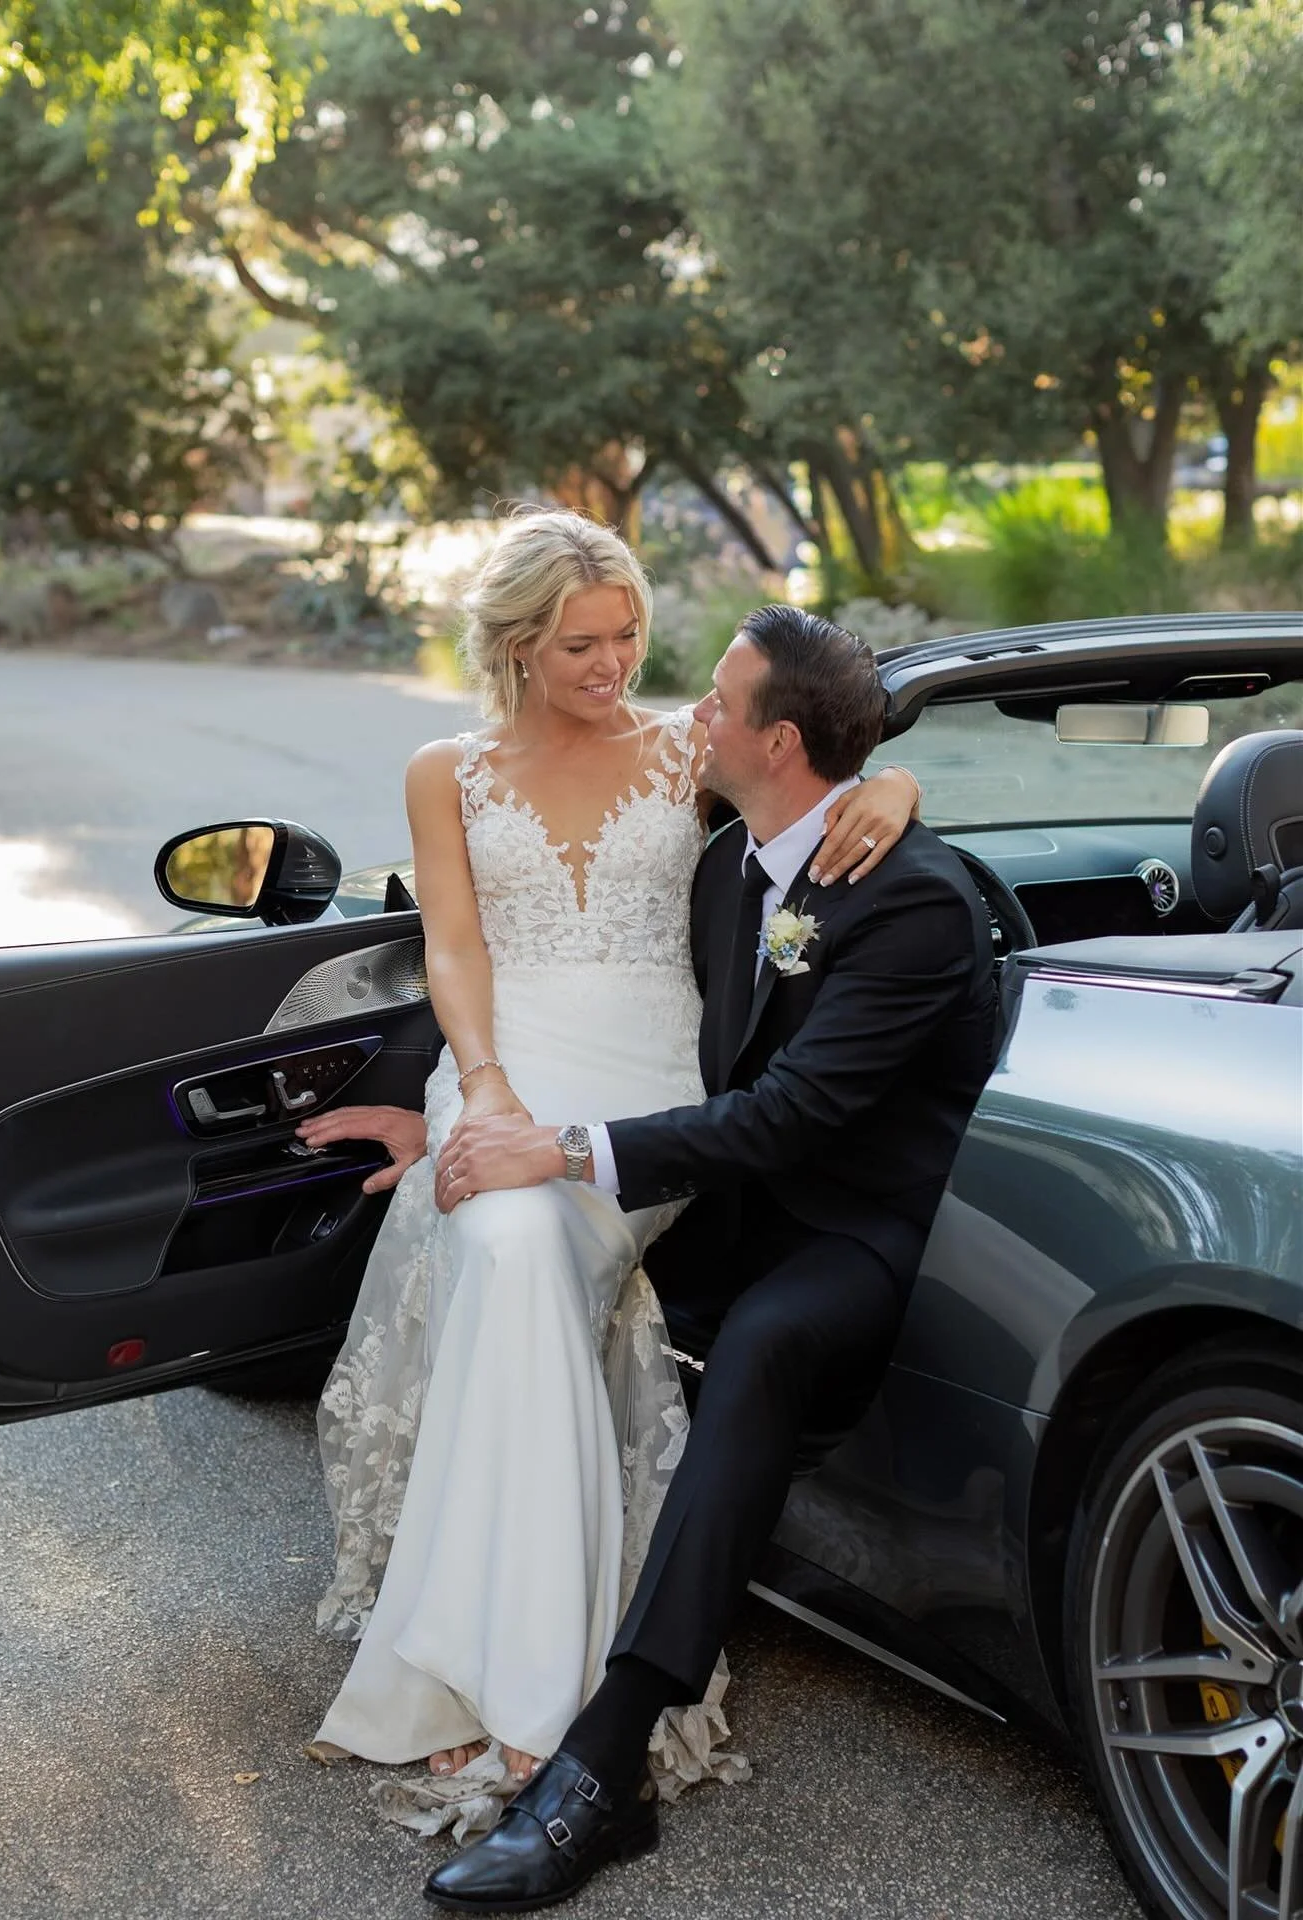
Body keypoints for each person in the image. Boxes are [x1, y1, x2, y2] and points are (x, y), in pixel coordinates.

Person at [292, 510, 921, 1833]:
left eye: (627, 631)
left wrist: (894, 790)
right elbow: (455, 948)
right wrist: (486, 1090)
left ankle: (512, 1695)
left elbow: (812, 773)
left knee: (529, 1251)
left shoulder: (685, 746)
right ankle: (539, 1698)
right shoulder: (443, 768)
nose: (613, 662)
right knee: (513, 1251)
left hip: (649, 1087)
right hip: (504, 1057)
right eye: (579, 642)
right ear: (514, 645)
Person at [424, 602, 997, 1911]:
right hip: (740, 1205)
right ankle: (508, 1630)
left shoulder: (909, 902)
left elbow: (791, 1116)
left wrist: (561, 1150)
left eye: (719, 702)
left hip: (867, 1228)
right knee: (538, 1280)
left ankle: (601, 1765)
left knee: (762, 1344)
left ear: (777, 739)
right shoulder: (730, 856)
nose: (692, 716)